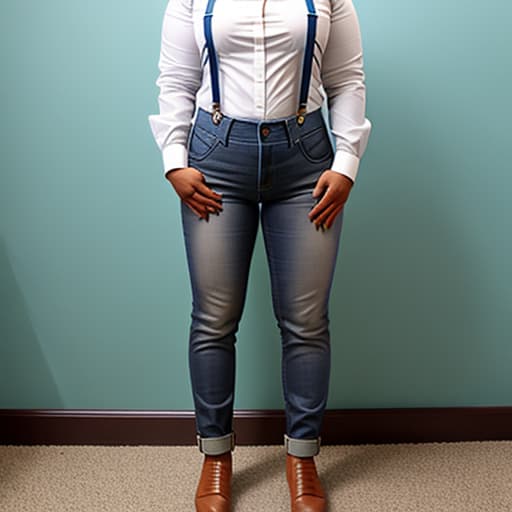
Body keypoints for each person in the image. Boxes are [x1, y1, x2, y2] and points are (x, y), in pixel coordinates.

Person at [148, 0, 371, 509]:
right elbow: (176, 80)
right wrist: (173, 161)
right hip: (216, 159)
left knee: (306, 320)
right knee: (213, 317)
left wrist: (347, 160)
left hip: (306, 162)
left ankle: (302, 458)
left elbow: (347, 80)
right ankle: (216, 458)